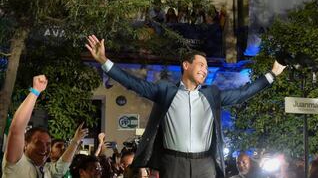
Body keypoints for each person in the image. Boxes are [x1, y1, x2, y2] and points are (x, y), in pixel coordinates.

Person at [85, 35, 286, 178]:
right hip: (173, 164)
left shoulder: (212, 95)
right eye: (201, 65)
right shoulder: (165, 92)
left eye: (207, 67)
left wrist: (272, 74)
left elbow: (243, 93)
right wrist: (104, 61)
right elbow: (133, 83)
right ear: (186, 65)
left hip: (205, 164)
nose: (205, 70)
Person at [1, 75, 88, 178]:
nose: (44, 149)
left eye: (48, 144)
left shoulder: (45, 170)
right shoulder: (17, 164)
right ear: (25, 144)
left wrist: (76, 140)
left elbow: (62, 166)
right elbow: (16, 130)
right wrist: (35, 91)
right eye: (38, 143)